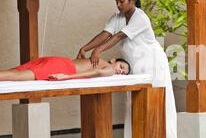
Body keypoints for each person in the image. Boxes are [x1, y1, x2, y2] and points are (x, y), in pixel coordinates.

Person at [77, 0, 177, 138]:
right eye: (116, 1)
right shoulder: (117, 18)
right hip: (135, 67)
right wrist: (85, 48)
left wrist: (98, 51)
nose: (118, 5)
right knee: (131, 105)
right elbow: (106, 34)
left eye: (121, 1)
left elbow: (118, 37)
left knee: (157, 105)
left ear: (132, 0)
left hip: (153, 65)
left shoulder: (140, 18)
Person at [0, 56, 130, 81]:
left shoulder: (96, 60)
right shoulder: (108, 69)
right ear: (113, 60)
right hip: (62, 66)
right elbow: (95, 72)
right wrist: (67, 76)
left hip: (58, 59)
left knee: (14, 72)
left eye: (123, 73)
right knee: (16, 76)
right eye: (121, 66)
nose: (120, 71)